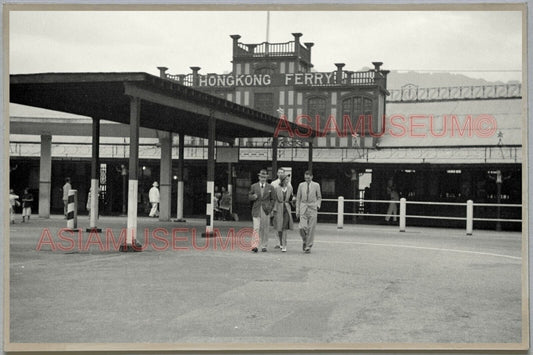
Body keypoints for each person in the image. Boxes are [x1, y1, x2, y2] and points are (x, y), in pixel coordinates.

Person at [249, 169, 275, 252]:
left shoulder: (270, 187)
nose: (263, 179)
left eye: (264, 177)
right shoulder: (254, 186)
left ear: (266, 178)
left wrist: (270, 208)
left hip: (266, 210)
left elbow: (273, 199)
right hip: (256, 209)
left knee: (265, 228)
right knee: (256, 228)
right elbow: (249, 196)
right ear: (259, 177)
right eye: (261, 177)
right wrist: (253, 197)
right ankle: (254, 245)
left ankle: (264, 246)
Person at [295, 170, 322, 254]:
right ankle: (305, 240)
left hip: (313, 207)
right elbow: (298, 198)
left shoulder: (316, 185)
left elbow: (319, 197)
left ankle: (308, 246)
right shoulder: (301, 185)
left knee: (311, 228)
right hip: (303, 207)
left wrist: (318, 205)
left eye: (308, 177)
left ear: (312, 177)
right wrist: (297, 210)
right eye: (305, 177)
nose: (307, 179)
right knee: (301, 227)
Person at [270, 168, 292, 248]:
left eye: (282, 172)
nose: (280, 174)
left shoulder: (289, 184)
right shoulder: (273, 183)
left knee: (284, 225)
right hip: (277, 206)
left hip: (285, 207)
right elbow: (272, 196)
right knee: (277, 225)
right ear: (277, 173)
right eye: (279, 172)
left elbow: (290, 195)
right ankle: (277, 242)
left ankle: (283, 242)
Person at [273, 176, 294, 252]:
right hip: (279, 208)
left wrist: (293, 200)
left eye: (288, 179)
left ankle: (284, 244)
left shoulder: (290, 188)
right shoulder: (276, 189)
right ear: (282, 180)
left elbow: (291, 198)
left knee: (284, 227)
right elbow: (274, 200)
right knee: (279, 227)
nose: (288, 180)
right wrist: (274, 210)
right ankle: (281, 242)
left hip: (287, 209)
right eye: (286, 179)